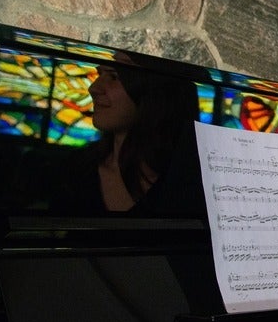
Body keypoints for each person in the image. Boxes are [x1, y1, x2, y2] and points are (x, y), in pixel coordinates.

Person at [52, 62, 203, 216]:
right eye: (99, 74)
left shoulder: (191, 181)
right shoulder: (75, 170)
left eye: (114, 76)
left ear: (154, 92)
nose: (93, 88)